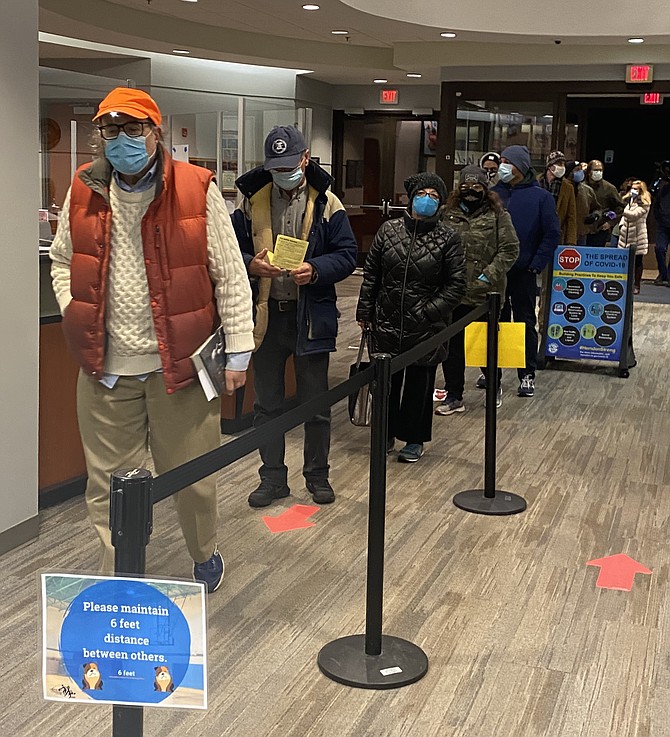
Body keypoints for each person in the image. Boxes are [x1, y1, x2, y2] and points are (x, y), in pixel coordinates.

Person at [49, 87, 255, 592]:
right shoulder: (83, 189)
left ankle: (204, 553)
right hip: (105, 369)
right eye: (109, 129)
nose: (120, 139)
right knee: (108, 487)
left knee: (192, 479)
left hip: (179, 369)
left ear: (155, 132)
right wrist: (74, 309)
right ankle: (119, 574)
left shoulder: (195, 187)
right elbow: (61, 260)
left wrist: (241, 350)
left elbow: (229, 275)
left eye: (132, 128)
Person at [232, 125, 357, 508]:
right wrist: (250, 265)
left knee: (315, 404)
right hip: (267, 318)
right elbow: (229, 252)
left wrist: (315, 269)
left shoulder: (328, 203)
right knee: (266, 404)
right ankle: (271, 479)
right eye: (276, 166)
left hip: (310, 317)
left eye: (290, 164)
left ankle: (317, 476)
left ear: (305, 159)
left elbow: (348, 254)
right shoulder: (250, 202)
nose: (284, 172)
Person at [356, 173, 465, 463]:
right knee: (386, 382)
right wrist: (364, 310)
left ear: (440, 203)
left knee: (420, 383)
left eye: (434, 195)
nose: (426, 199)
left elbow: (456, 284)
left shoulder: (448, 238)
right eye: (422, 193)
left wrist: (430, 311)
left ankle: (414, 439)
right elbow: (372, 274)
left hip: (426, 325)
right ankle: (385, 433)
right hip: (387, 319)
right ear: (411, 196)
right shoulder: (388, 230)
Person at [435, 166, 519, 415]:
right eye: (465, 187)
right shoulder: (446, 214)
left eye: (477, 187)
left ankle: (494, 387)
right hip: (453, 293)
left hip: (486, 295)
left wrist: (488, 275)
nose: (470, 192)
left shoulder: (498, 215)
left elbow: (510, 249)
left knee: (486, 347)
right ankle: (454, 395)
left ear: (485, 189)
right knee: (452, 348)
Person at [492, 145, 561, 398]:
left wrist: (536, 264)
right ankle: (491, 372)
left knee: (524, 322)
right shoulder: (492, 194)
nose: (502, 166)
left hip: (523, 271)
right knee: (495, 323)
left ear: (520, 167)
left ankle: (527, 373)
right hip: (495, 272)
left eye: (506, 161)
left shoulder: (540, 197)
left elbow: (551, 233)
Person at [618, 179, 651, 294]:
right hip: (625, 235)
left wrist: (621, 210)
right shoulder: (629, 200)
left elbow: (634, 215)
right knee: (625, 261)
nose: (633, 190)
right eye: (632, 188)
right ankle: (625, 283)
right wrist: (621, 225)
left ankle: (636, 285)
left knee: (637, 261)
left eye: (636, 189)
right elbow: (625, 216)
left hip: (638, 236)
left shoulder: (645, 202)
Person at [538, 150, 576, 245]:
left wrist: (571, 242)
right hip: (536, 231)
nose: (562, 167)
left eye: (563, 164)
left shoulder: (568, 187)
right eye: (559, 163)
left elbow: (571, 216)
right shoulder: (537, 182)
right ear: (550, 166)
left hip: (556, 234)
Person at [585, 160, 624, 246]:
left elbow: (620, 208)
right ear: (589, 172)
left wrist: (611, 222)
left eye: (600, 170)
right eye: (595, 170)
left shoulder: (609, 188)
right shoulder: (582, 186)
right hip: (582, 229)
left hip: (600, 229)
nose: (598, 172)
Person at [566, 161, 599, 246]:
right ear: (569, 173)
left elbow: (597, 208)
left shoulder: (587, 190)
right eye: (577, 170)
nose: (580, 172)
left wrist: (595, 215)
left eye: (580, 170)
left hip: (581, 234)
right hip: (564, 234)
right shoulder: (562, 189)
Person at [652, 161, 670, 286]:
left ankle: (669, 275)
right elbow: (656, 204)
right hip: (663, 224)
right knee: (659, 248)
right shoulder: (662, 187)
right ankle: (663, 273)